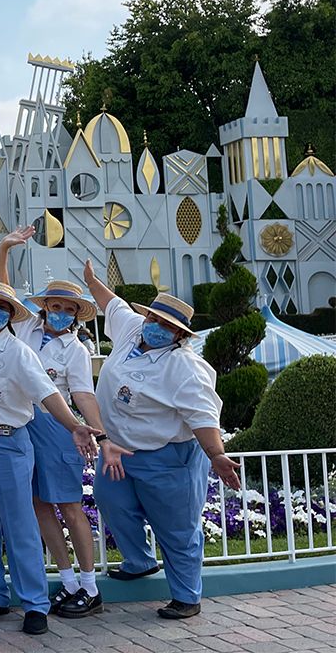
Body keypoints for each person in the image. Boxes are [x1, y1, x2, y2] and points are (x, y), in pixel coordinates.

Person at [82, 260, 241, 620]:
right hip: (120, 453)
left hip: (168, 457)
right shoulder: (133, 330)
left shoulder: (184, 366)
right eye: (154, 320)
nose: (155, 327)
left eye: (166, 326)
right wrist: (92, 282)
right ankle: (139, 562)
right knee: (111, 502)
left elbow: (202, 415)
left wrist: (216, 454)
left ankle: (187, 596)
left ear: (179, 335)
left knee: (176, 527)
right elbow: (113, 304)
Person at [0, 281, 99, 636]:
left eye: (2, 307)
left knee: (20, 525)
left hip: (8, 442)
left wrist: (76, 425)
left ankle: (34, 603)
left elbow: (48, 395)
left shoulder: (19, 351)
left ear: (12, 315)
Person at [0, 228, 107, 618]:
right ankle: (68, 580)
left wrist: (97, 432)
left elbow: (83, 394)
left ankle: (90, 587)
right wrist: (4, 250)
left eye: (68, 309)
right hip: (22, 423)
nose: (60, 313)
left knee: (69, 505)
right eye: (55, 305)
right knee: (39, 504)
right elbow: (1, 294)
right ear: (45, 307)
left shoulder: (75, 349)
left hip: (56, 427)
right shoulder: (24, 328)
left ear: (76, 314)